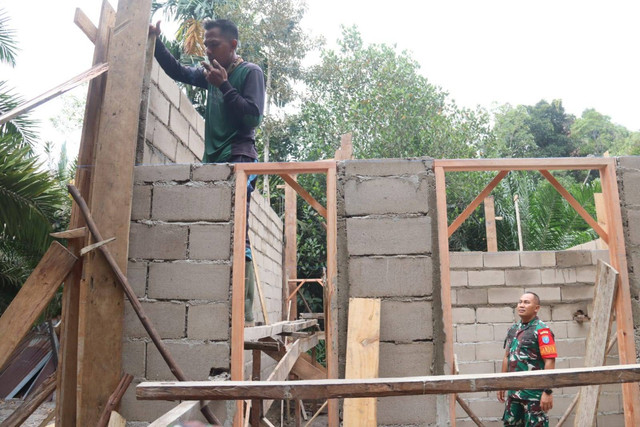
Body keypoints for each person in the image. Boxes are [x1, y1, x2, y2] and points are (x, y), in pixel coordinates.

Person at [149, 19, 265, 326]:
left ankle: (245, 312)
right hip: (212, 161)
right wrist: (156, 40)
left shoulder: (249, 72)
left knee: (238, 227)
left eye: (214, 44)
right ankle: (217, 299)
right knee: (216, 229)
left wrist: (224, 85)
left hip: (240, 158)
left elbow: (253, 117)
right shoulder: (210, 74)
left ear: (233, 46)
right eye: (206, 45)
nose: (209, 50)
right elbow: (176, 71)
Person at [497, 292, 557, 427]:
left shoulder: (542, 330)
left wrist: (547, 391)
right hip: (514, 394)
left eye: (526, 302)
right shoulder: (513, 329)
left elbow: (550, 361)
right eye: (520, 302)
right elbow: (507, 357)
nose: (521, 305)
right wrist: (501, 383)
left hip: (533, 395)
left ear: (536, 308)